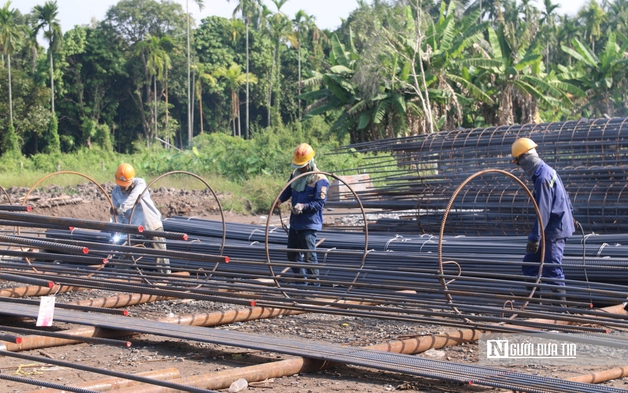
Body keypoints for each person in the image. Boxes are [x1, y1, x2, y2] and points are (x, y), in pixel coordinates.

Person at [511, 138, 575, 303]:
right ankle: (535, 304)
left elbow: (543, 211)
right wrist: (571, 214)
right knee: (530, 264)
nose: (521, 167)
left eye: (520, 162)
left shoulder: (543, 177)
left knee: (551, 267)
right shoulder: (546, 171)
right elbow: (563, 196)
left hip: (554, 229)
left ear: (526, 158)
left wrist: (535, 237)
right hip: (552, 226)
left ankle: (561, 310)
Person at [279, 143, 330, 286]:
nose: (300, 168)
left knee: (309, 256)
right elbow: (288, 189)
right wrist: (280, 199)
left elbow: (319, 204)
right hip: (295, 221)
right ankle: (301, 284)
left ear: (310, 163)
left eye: (302, 166)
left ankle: (315, 287)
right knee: (293, 254)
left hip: (309, 223)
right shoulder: (296, 175)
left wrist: (304, 206)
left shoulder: (321, 180)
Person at [110, 163, 171, 274]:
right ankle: (117, 276)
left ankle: (165, 278)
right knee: (127, 252)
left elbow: (132, 199)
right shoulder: (115, 192)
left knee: (161, 255)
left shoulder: (140, 184)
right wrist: (115, 225)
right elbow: (117, 214)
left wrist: (120, 208)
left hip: (151, 225)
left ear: (131, 180)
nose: (122, 187)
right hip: (135, 227)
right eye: (120, 184)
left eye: (124, 185)